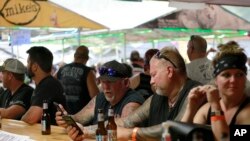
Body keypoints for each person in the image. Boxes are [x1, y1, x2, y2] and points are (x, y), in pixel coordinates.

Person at [65, 47, 201, 141]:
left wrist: (132, 133)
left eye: (153, 75)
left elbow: (176, 129)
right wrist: (86, 131)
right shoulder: (158, 97)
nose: (151, 81)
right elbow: (127, 122)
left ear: (170, 71)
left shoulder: (195, 93)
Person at [55, 60, 145, 138]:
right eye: (102, 81)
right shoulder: (101, 97)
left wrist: (85, 130)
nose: (105, 87)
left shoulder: (133, 101)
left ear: (125, 83)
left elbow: (122, 129)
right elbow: (78, 118)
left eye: (110, 81)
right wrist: (66, 119)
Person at [181, 43, 250, 141]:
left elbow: (225, 139)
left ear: (245, 79)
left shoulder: (247, 111)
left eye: (239, 74)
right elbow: (181, 136)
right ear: (216, 80)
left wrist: (215, 107)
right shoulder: (207, 110)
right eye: (226, 75)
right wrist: (191, 108)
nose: (233, 80)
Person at [21, 46, 67, 125]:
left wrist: (22, 119)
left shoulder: (48, 85)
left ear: (35, 66)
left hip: (51, 135)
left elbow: (31, 118)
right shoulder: (46, 83)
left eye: (28, 62)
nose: (27, 66)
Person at [56, 45, 99, 114]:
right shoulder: (88, 72)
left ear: (74, 56)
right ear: (87, 58)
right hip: (82, 115)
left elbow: (52, 85)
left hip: (63, 113)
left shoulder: (61, 69)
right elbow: (95, 96)